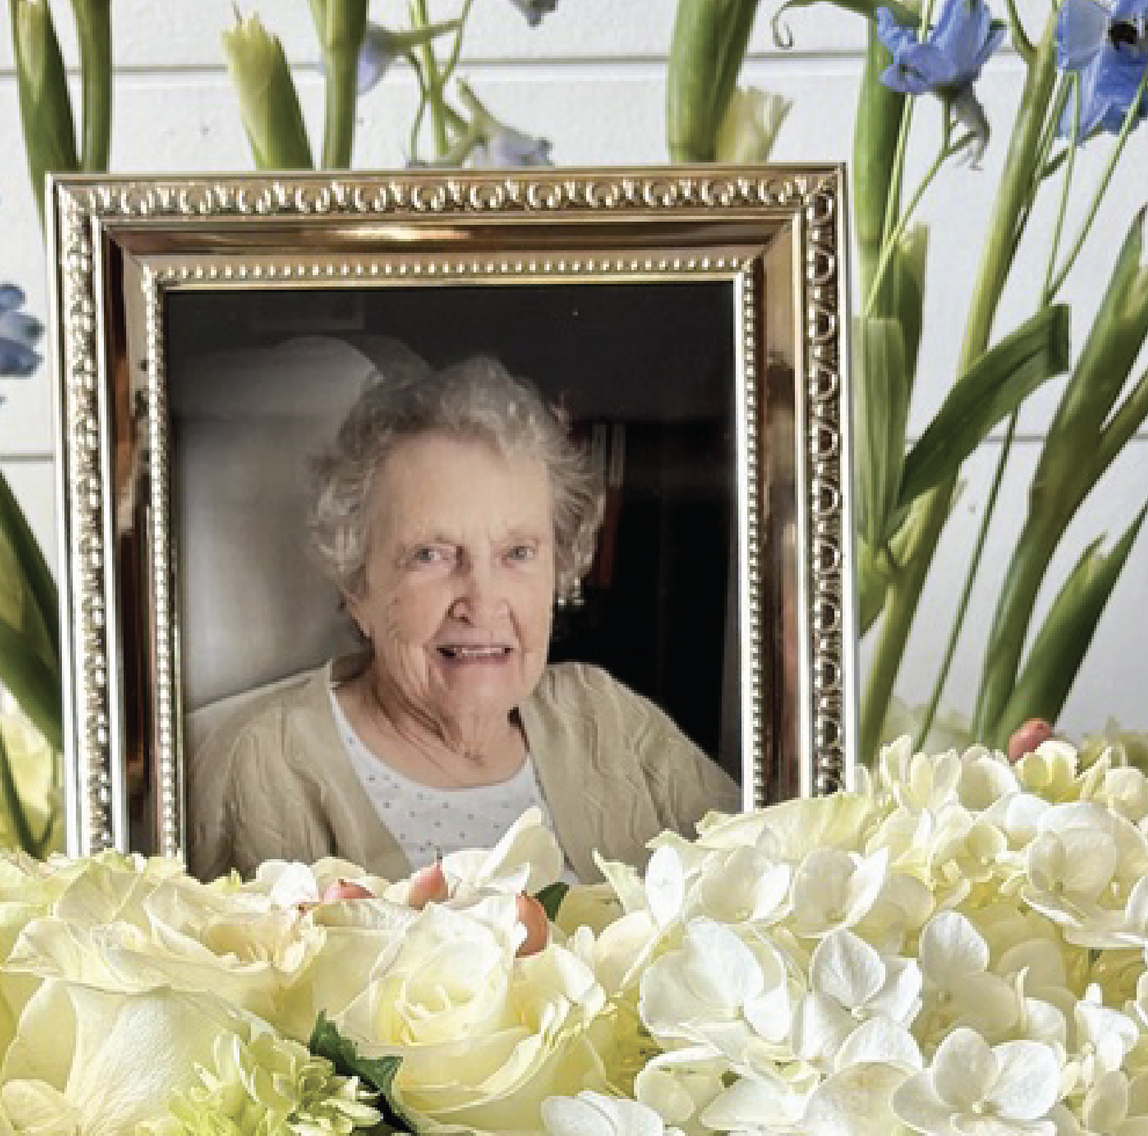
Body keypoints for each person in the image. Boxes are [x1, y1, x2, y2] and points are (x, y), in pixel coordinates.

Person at [185, 354, 739, 878]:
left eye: (517, 554)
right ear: (357, 586)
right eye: (432, 554)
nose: (482, 600)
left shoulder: (607, 720)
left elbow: (786, 898)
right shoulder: (263, 771)